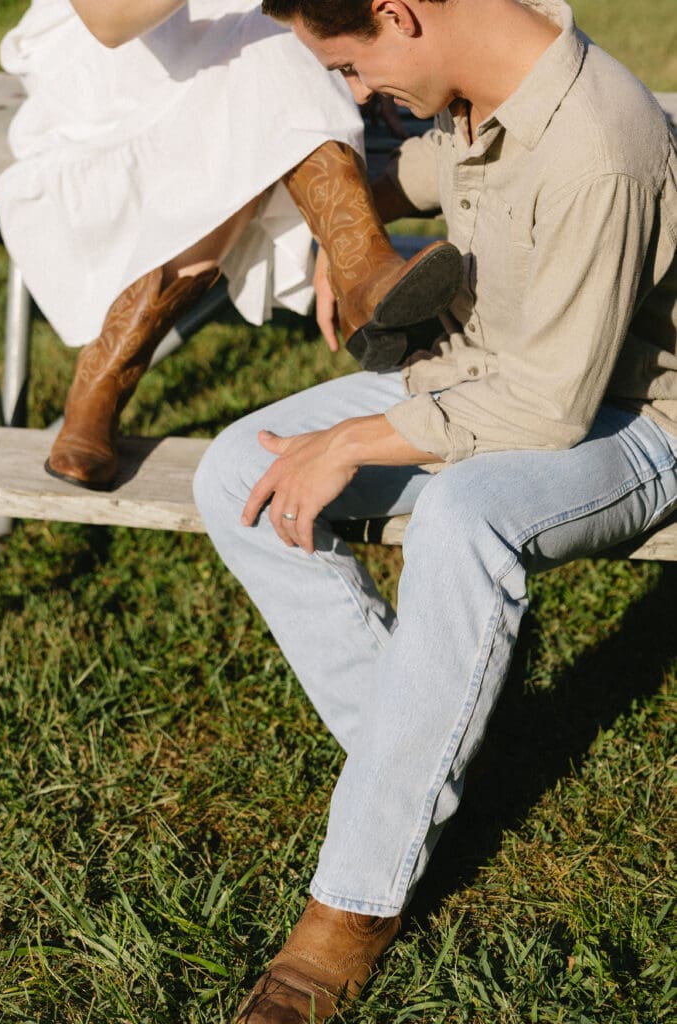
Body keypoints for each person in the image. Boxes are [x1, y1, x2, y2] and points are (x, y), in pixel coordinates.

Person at [192, 0, 677, 1021]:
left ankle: (347, 912)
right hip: (472, 374)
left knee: (464, 512)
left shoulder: (601, 140)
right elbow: (392, 179)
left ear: (397, 13)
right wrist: (347, 231)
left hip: (629, 420)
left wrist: (355, 442)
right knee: (234, 466)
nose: (360, 94)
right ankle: (424, 766)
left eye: (350, 64)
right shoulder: (468, 102)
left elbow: (548, 408)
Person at [0, 0, 460, 489]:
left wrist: (356, 45)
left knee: (284, 43)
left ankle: (362, 271)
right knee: (275, 55)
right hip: (114, 70)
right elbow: (106, 23)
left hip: (258, 49)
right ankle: (361, 267)